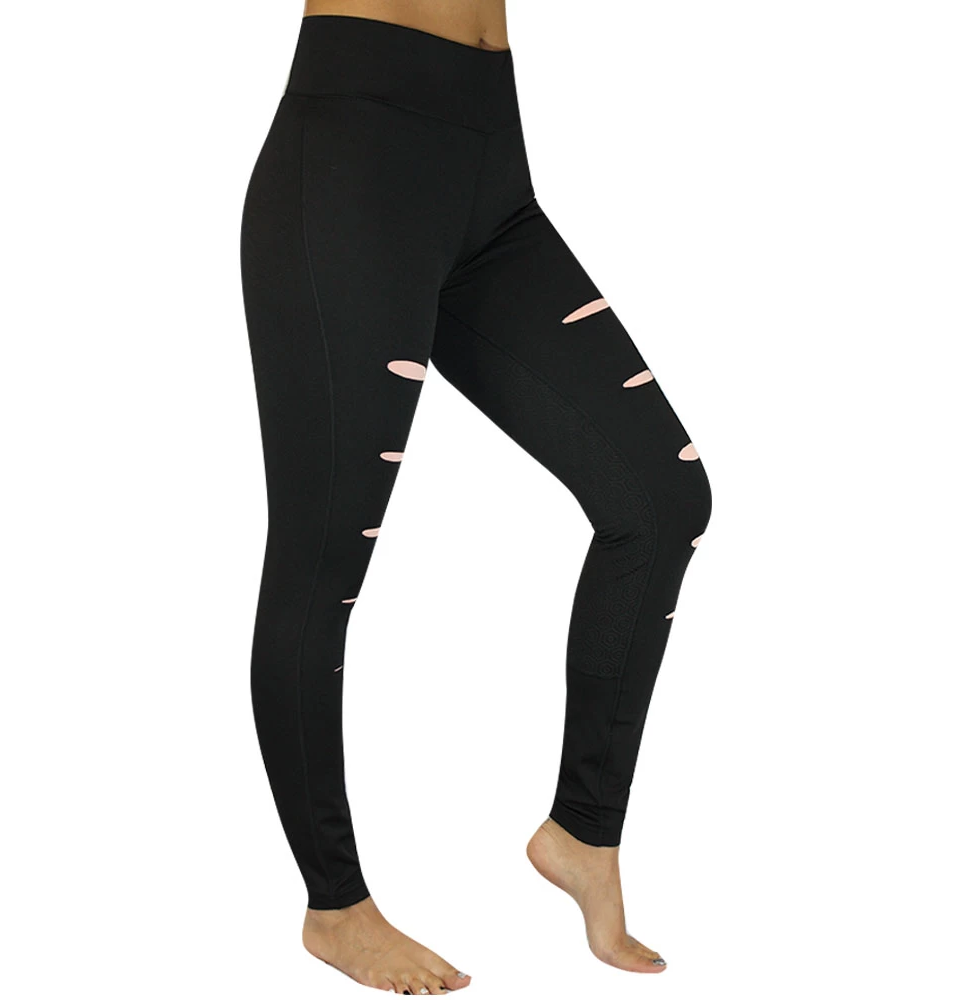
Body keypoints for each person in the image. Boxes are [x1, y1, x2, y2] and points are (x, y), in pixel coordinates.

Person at [239, 1, 712, 992]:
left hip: (493, 162)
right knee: (325, 559)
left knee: (660, 499)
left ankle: (583, 832)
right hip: (353, 157)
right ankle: (335, 907)